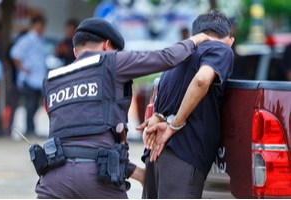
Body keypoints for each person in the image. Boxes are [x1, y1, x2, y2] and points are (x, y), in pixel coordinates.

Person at [35, 17, 209, 198]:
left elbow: (78, 140)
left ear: (75, 51)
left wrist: (136, 172)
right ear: (107, 45)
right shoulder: (111, 62)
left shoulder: (51, 80)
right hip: (98, 181)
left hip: (52, 180)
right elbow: (166, 57)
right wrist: (196, 39)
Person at [137, 10, 234, 198]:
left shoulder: (178, 57)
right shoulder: (221, 49)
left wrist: (160, 118)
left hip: (156, 158)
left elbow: (160, 108)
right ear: (229, 39)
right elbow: (201, 80)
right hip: (183, 158)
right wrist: (176, 124)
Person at [10, 15, 47, 136]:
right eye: (39, 25)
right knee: (29, 104)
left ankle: (31, 127)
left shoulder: (40, 40)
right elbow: (15, 54)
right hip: (28, 79)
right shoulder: (27, 39)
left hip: (38, 79)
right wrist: (22, 68)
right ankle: (29, 129)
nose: (41, 28)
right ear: (34, 25)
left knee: (36, 104)